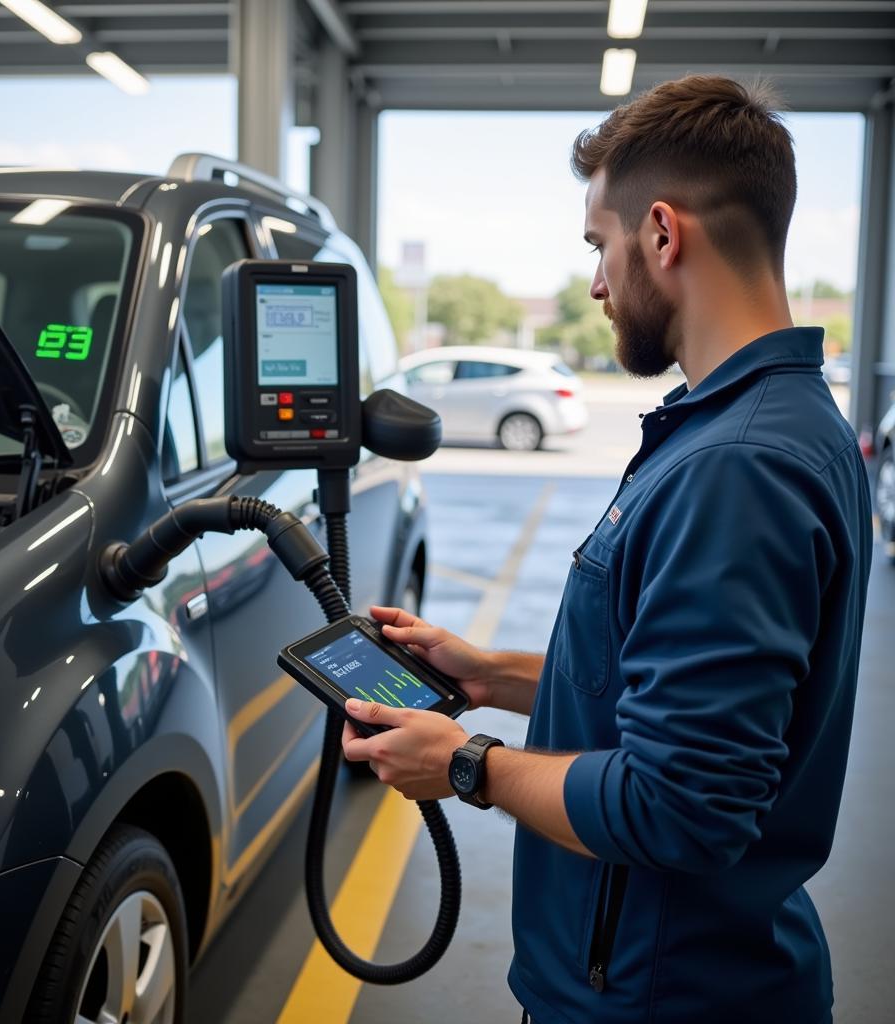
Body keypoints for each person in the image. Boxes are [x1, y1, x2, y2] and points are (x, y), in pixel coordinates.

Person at [341, 75, 873, 1024]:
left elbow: (682, 803)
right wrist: (490, 674)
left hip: (658, 993)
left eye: (599, 245)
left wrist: (468, 764)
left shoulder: (738, 467)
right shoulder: (762, 424)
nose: (593, 281)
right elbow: (672, 689)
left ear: (662, 235)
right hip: (679, 973)